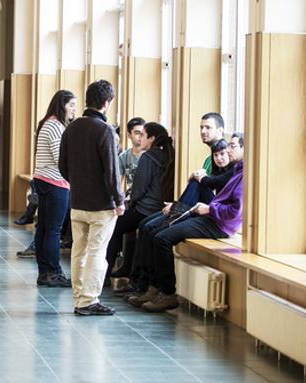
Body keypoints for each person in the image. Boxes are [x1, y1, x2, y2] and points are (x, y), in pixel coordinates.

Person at [128, 133, 245, 313]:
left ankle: (167, 294)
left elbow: (235, 212)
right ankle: (154, 288)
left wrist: (209, 209)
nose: (228, 151)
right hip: (211, 216)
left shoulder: (244, 174)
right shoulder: (238, 169)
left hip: (218, 224)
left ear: (245, 149)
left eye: (232, 147)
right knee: (153, 231)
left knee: (161, 238)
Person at [59, 80, 124, 316]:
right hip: (102, 205)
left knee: (79, 251)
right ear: (106, 103)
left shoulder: (72, 128)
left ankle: (78, 297)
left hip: (77, 201)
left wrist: (78, 183)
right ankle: (89, 300)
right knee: (97, 252)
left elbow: (62, 166)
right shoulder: (105, 131)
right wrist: (119, 200)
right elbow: (112, 170)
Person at [105, 122, 175, 282]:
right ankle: (128, 270)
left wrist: (128, 202)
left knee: (114, 226)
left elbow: (139, 189)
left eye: (143, 135)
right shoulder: (168, 155)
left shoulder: (148, 157)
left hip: (145, 209)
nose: (139, 139)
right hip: (160, 208)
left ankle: (105, 273)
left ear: (152, 138)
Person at [32, 90, 78, 288]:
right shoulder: (56, 126)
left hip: (43, 179)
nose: (74, 109)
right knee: (53, 230)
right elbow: (61, 159)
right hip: (55, 182)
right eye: (71, 105)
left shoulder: (47, 123)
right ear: (62, 105)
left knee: (44, 226)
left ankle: (44, 272)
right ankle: (54, 272)